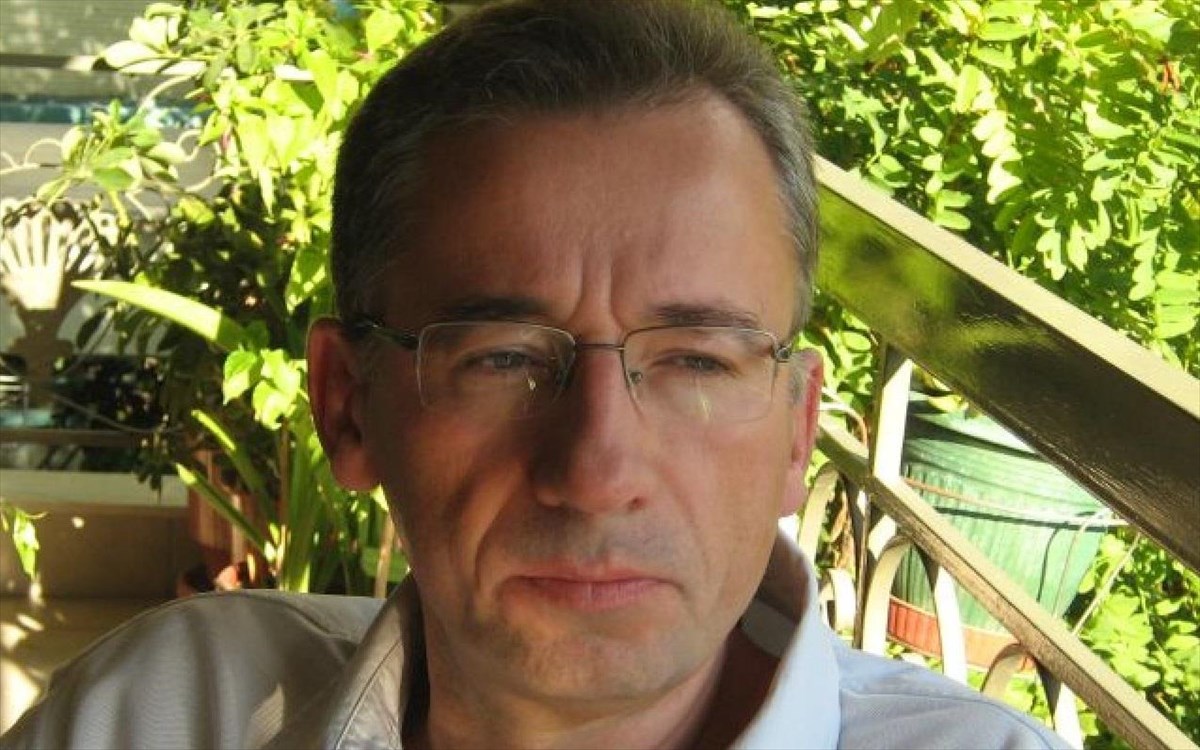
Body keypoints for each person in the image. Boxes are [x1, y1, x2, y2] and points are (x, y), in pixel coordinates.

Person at [2, 1, 1069, 748]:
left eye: (696, 360)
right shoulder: (157, 716)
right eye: (504, 359)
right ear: (347, 405)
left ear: (797, 432)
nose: (597, 472)